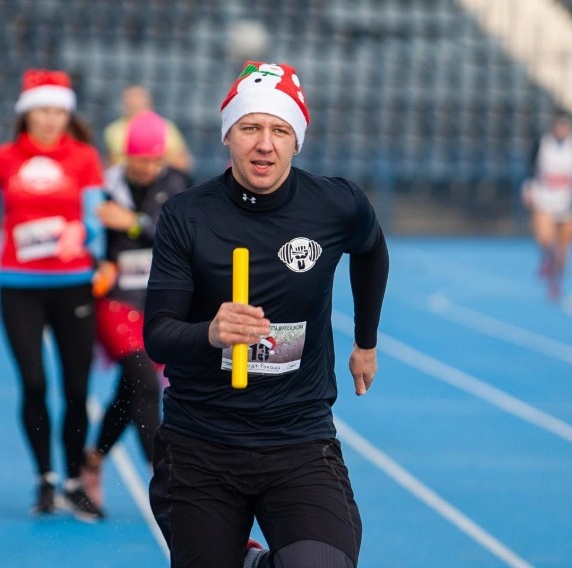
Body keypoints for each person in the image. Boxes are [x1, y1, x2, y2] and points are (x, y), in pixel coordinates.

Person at [143, 61, 390, 568]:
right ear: (228, 136)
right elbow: (159, 335)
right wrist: (211, 333)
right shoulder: (187, 215)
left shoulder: (335, 205)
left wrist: (365, 342)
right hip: (202, 443)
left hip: (297, 438)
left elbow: (372, 250)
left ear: (296, 141)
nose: (265, 144)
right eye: (250, 127)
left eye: (280, 130)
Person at [0, 69, 106, 521]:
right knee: (34, 383)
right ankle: (45, 478)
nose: (52, 118)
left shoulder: (84, 159)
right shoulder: (4, 159)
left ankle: (75, 479)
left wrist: (83, 231)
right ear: (26, 113)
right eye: (43, 109)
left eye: (60, 110)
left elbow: (96, 217)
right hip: (18, 287)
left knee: (77, 388)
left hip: (72, 284)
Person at [83, 109, 191, 510]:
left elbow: (173, 233)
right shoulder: (104, 186)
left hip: (159, 304)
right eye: (138, 159)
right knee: (145, 383)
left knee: (129, 393)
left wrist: (131, 223)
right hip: (116, 302)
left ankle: (91, 460)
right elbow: (89, 234)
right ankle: (165, 477)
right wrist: (100, 259)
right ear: (125, 156)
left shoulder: (177, 185)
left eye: (153, 160)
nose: (146, 168)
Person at [522, 113, 572, 300]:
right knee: (545, 239)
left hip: (568, 202)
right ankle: (547, 259)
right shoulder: (542, 144)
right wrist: (529, 190)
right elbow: (530, 169)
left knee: (563, 250)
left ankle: (556, 283)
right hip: (545, 198)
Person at [102, 85, 194, 174]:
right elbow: (109, 162)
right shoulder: (113, 130)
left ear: (148, 102)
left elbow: (182, 162)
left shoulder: (166, 127)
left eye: (138, 97)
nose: (133, 102)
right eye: (130, 99)